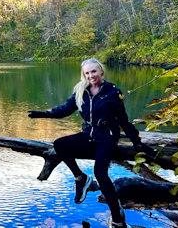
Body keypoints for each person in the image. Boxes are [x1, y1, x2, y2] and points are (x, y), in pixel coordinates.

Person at [28, 58, 154, 228]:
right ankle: (80, 178)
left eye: (93, 71)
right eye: (87, 73)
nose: (91, 76)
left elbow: (124, 121)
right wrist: (44, 114)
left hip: (106, 138)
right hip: (88, 135)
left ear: (101, 71)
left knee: (101, 174)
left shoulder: (113, 92)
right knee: (60, 144)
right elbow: (65, 109)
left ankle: (117, 220)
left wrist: (137, 143)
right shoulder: (81, 91)